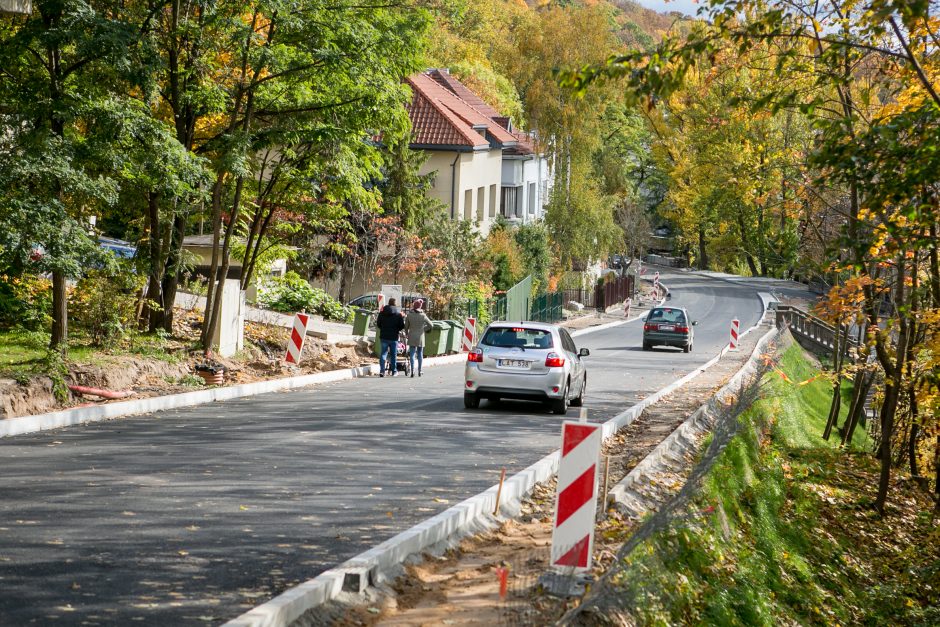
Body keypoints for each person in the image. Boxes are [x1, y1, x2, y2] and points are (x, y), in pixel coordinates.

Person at [376, 297, 405, 377]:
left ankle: (382, 371)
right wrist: (397, 329)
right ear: (395, 304)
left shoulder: (382, 313)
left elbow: (378, 324)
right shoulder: (398, 314)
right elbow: (401, 326)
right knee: (393, 354)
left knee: (383, 354)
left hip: (384, 336)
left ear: (388, 303)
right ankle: (394, 371)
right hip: (394, 337)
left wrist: (383, 328)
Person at [404, 299, 433, 378]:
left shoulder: (409, 315)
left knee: (412, 353)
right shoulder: (423, 315)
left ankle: (412, 370)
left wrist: (407, 334)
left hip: (412, 336)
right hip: (420, 336)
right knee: (420, 353)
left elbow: (406, 327)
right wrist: (424, 329)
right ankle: (420, 370)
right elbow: (431, 325)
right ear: (420, 306)